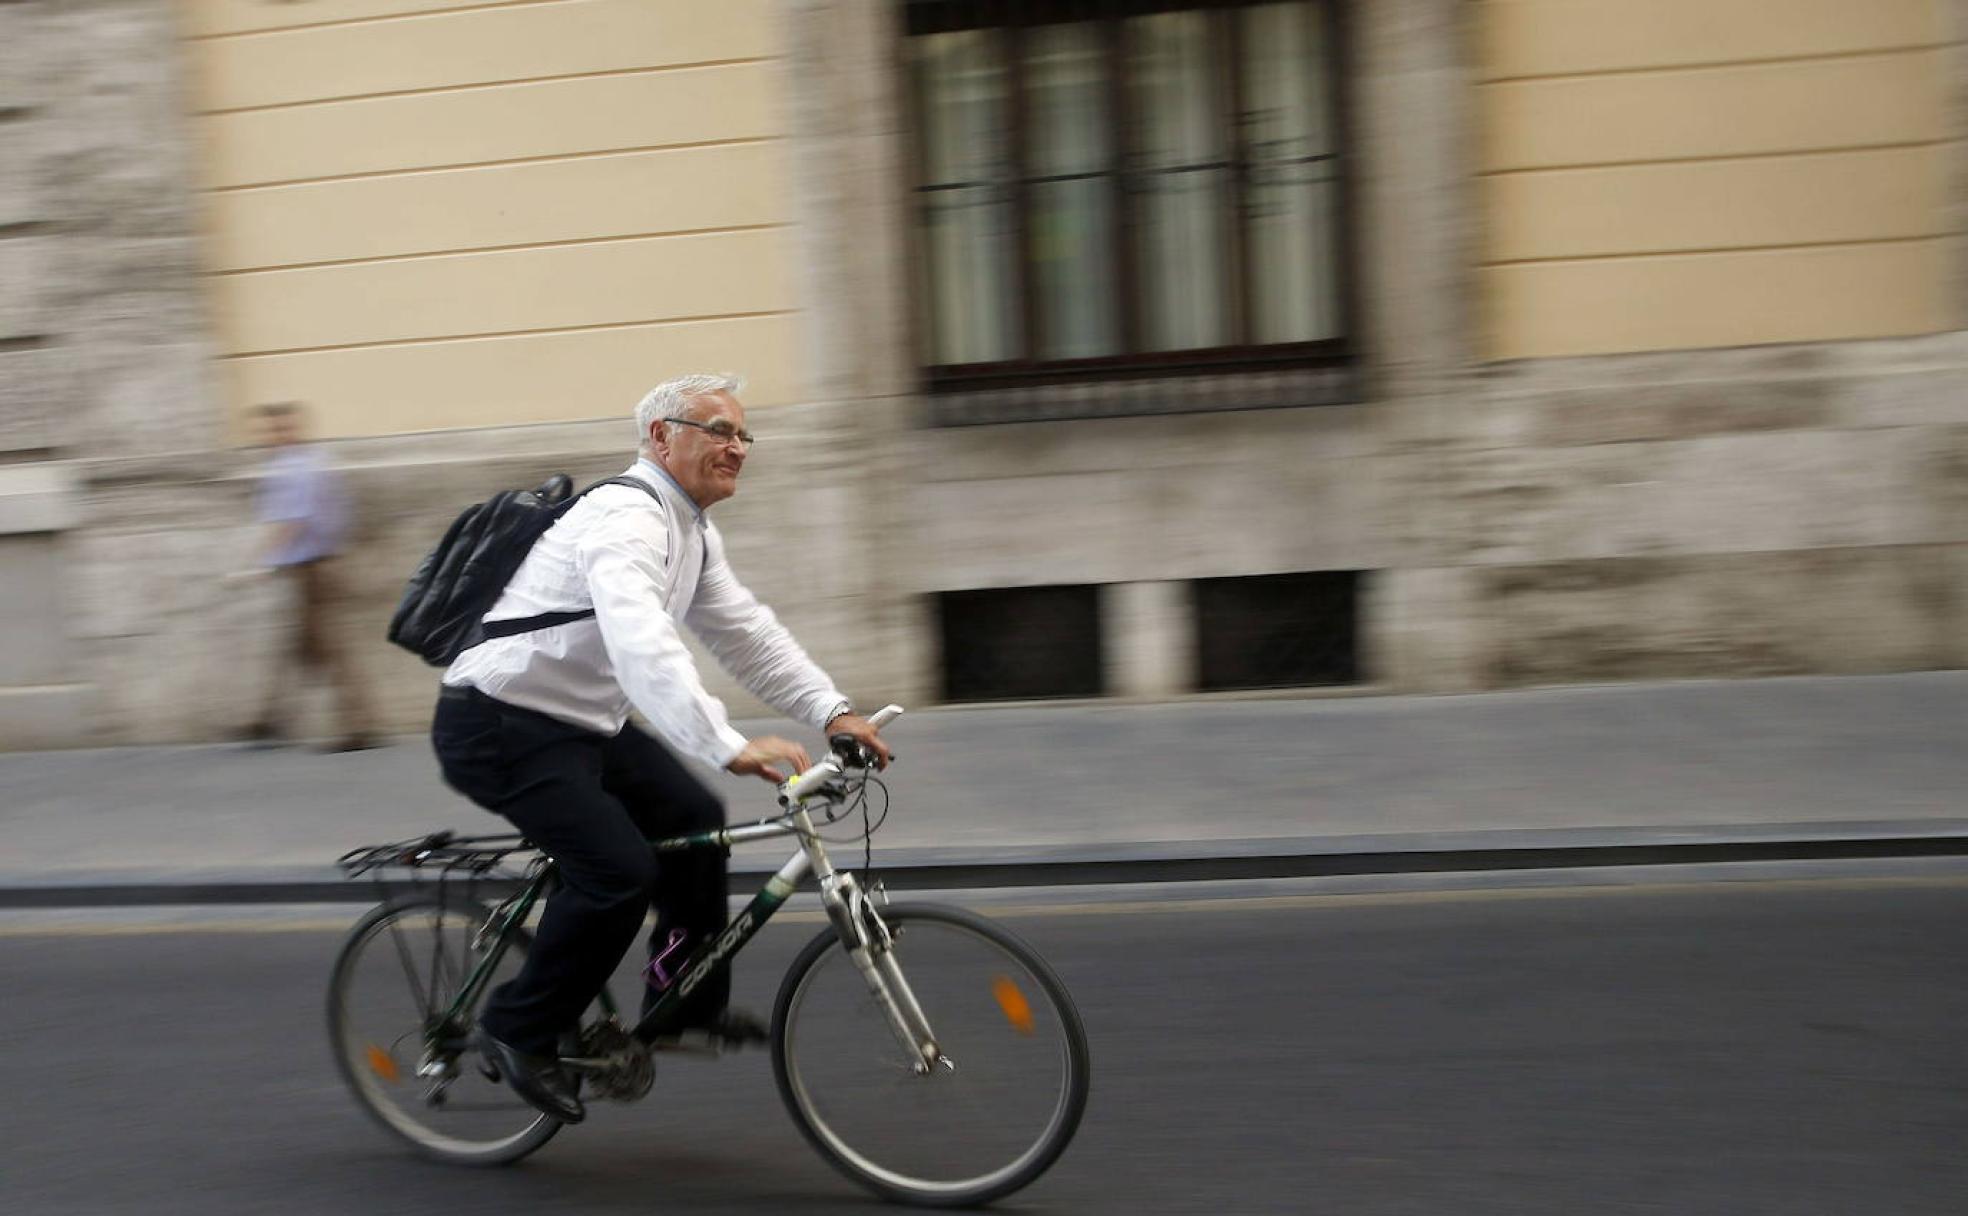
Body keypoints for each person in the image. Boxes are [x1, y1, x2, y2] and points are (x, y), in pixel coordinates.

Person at [430, 374, 892, 1124]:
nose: (736, 447)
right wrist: (722, 741)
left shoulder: (691, 532)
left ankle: (681, 1004)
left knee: (695, 825)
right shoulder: (625, 519)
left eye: (743, 434)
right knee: (616, 871)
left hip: (583, 724)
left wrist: (832, 710)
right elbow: (642, 643)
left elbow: (748, 636)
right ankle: (518, 1028)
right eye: (717, 429)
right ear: (659, 438)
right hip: (500, 724)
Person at [244, 401, 377, 752]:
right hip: (317, 565)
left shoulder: (293, 468)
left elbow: (292, 520)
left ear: (294, 429)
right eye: (271, 429)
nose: (275, 435)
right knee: (298, 646)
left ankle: (358, 725)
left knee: (328, 648)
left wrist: (259, 563)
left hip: (312, 569)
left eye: (280, 428)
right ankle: (271, 719)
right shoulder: (315, 461)